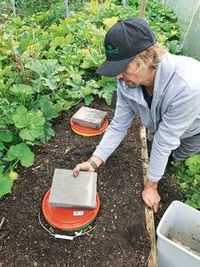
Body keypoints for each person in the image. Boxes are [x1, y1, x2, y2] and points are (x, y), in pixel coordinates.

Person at [73, 18, 200, 212]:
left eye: (123, 67)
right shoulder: (127, 81)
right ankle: (161, 168)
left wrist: (151, 186)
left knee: (178, 155)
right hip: (160, 128)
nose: (118, 76)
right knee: (155, 147)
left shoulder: (188, 85)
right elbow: (118, 125)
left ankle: (169, 167)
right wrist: (94, 161)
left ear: (148, 56)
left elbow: (165, 140)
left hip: (194, 129)